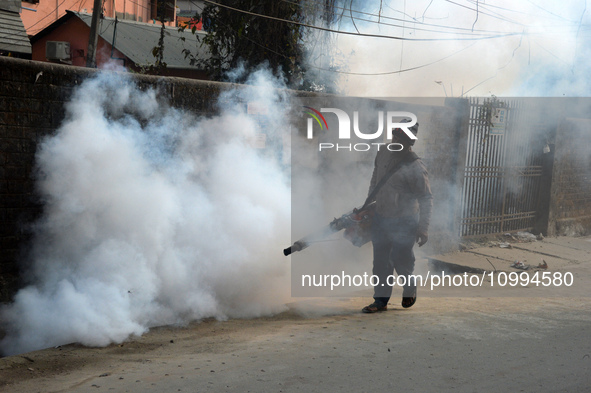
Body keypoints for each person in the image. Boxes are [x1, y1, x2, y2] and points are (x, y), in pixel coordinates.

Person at [362, 121, 433, 313]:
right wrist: (368, 206)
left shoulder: (416, 166)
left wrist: (423, 228)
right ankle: (380, 301)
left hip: (405, 221)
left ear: (410, 142)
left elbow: (426, 198)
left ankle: (409, 286)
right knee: (380, 263)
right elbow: (375, 179)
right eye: (395, 136)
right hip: (381, 217)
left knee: (401, 261)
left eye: (401, 138)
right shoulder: (383, 152)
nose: (396, 141)